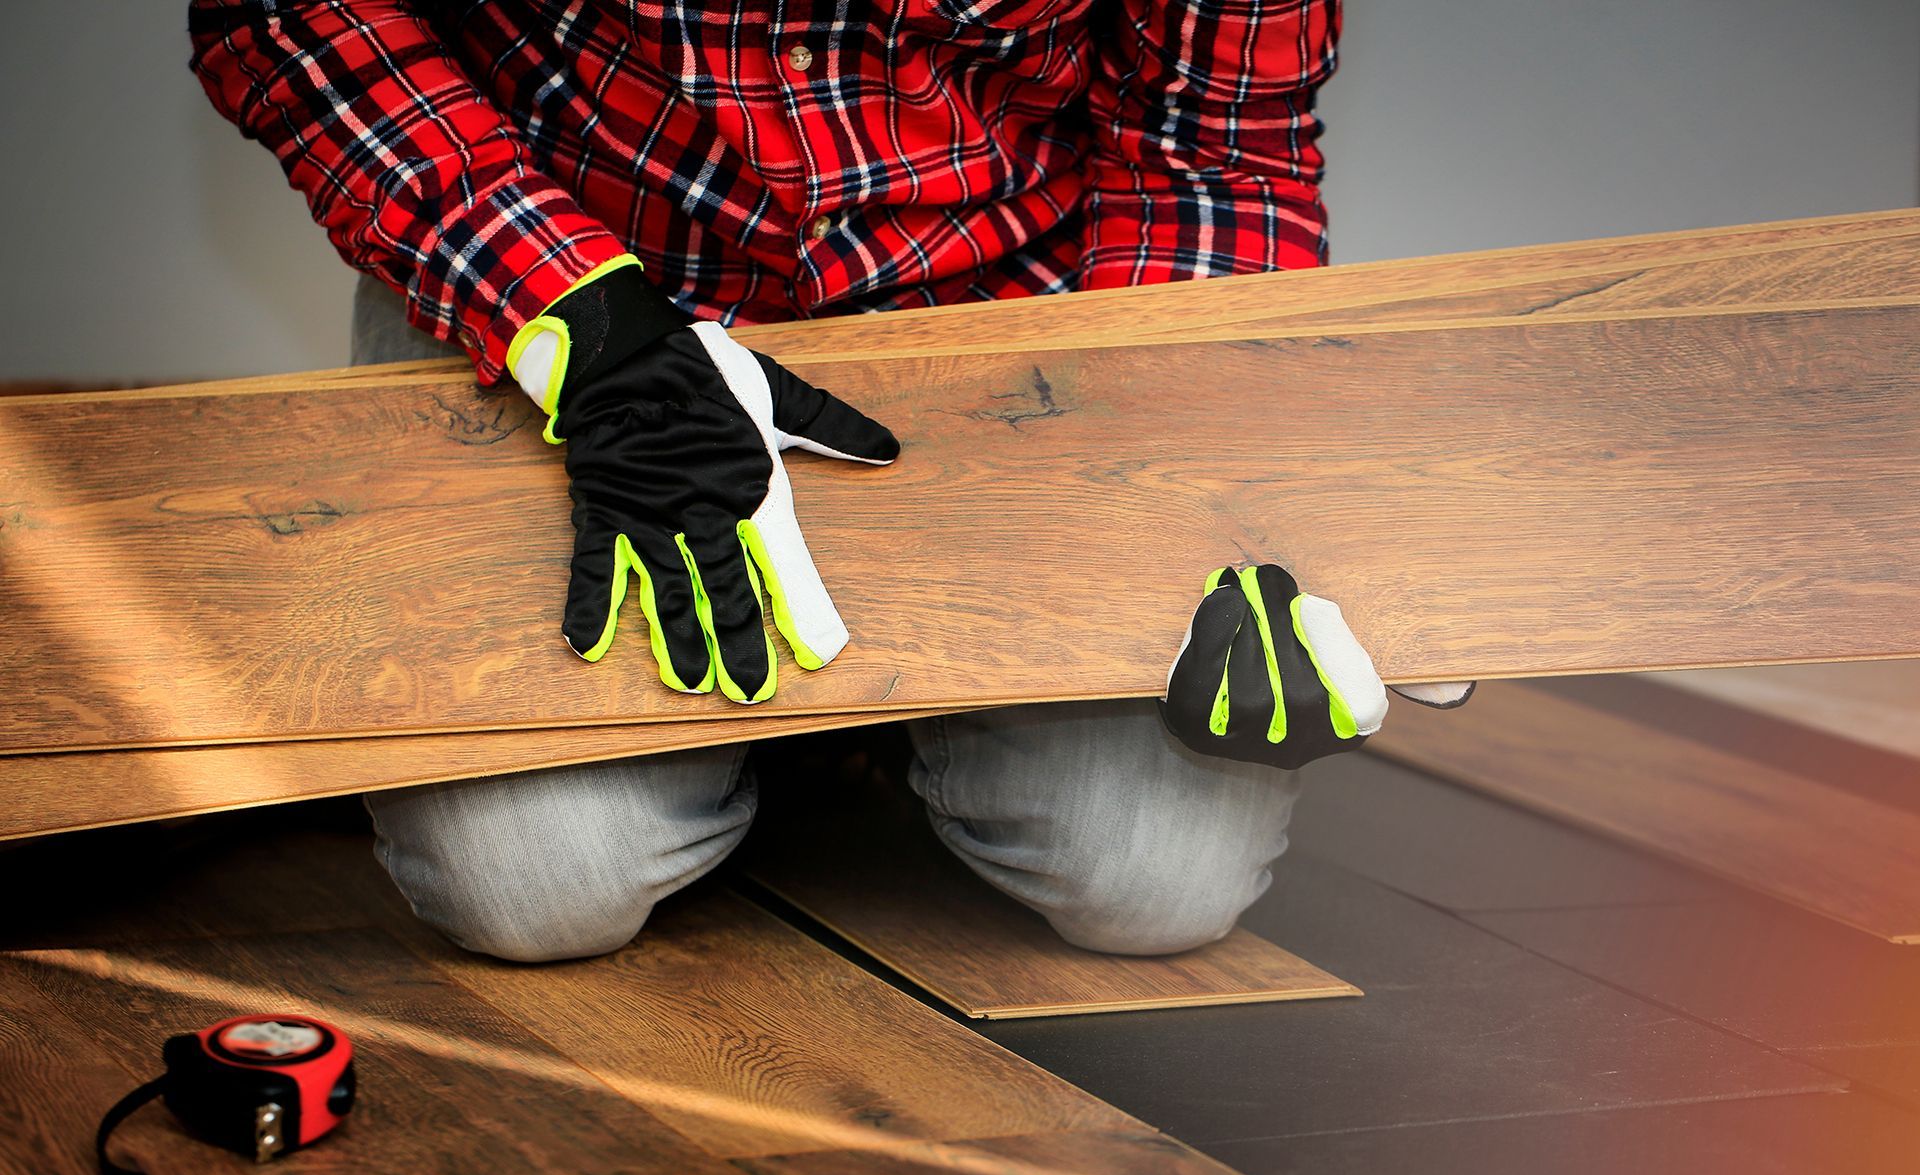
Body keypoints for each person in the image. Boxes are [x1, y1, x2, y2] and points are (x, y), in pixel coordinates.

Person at [190, 0, 1462, 964]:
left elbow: (1215, 159)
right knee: (531, 886)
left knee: (1148, 884)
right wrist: (583, 330)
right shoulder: (576, 307)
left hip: (1003, 314)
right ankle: (803, 720)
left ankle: (837, 713)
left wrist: (1193, 474)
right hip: (573, 272)